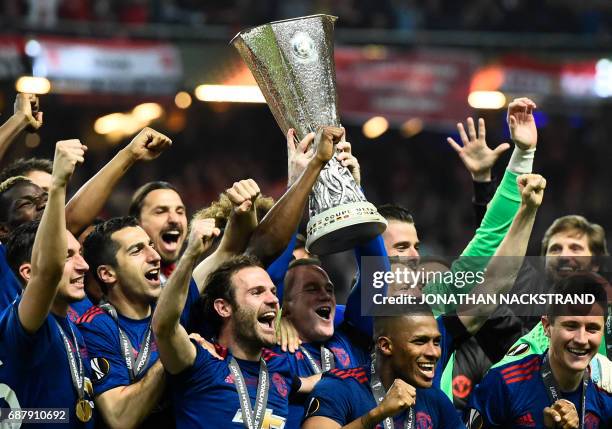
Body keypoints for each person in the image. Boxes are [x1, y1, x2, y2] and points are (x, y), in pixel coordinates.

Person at [152, 126, 345, 428]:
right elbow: (263, 251)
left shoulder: (290, 360)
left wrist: (350, 193)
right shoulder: (203, 354)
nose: (272, 298)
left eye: (272, 290)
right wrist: (305, 176)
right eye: (259, 292)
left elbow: (383, 304)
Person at [0, 127, 173, 314]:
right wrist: (18, 120)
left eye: (49, 198)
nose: (47, 206)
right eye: (26, 203)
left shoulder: (77, 292)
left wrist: (130, 153)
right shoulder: (6, 264)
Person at [0, 139, 96, 427]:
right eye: (68, 257)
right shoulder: (24, 324)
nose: (84, 265)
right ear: (29, 273)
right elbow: (48, 270)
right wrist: (57, 186)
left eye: (79, 254)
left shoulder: (69, 326)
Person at [466, 273, 612, 428]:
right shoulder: (503, 384)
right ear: (547, 326)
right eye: (571, 326)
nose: (581, 339)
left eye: (592, 328)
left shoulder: (606, 393)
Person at [301, 307, 464, 429]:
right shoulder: (337, 387)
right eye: (420, 341)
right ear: (385, 345)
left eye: (436, 342)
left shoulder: (435, 399)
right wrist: (378, 414)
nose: (434, 352)